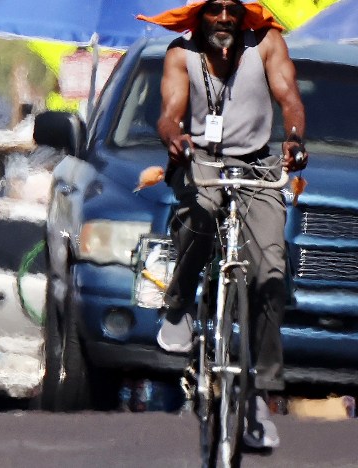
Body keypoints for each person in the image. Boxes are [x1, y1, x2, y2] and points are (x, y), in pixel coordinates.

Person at [144, 0, 306, 449]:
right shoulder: (182, 54)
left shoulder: (267, 45)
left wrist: (294, 140)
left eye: (232, 9)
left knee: (272, 269)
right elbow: (169, 112)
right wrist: (173, 138)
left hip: (257, 169)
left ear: (242, 15)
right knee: (200, 212)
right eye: (214, 10)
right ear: (201, 16)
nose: (224, 19)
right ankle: (177, 306)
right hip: (203, 162)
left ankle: (257, 395)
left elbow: (290, 99)